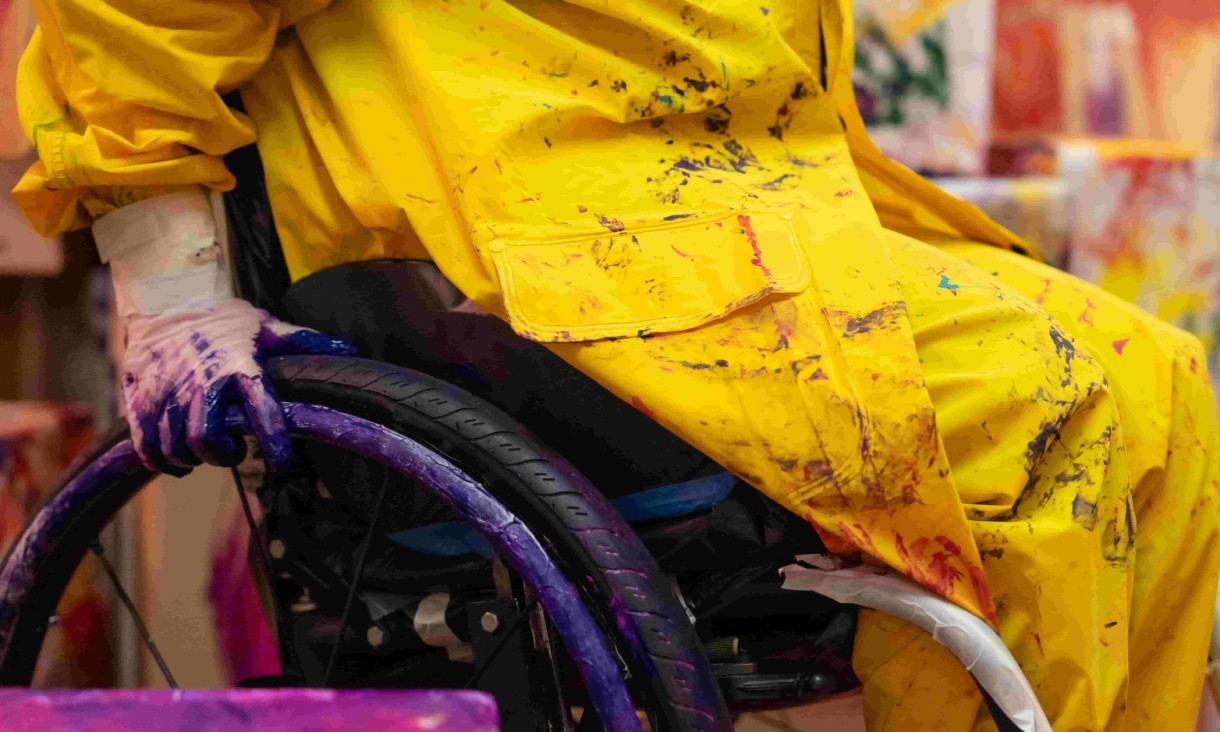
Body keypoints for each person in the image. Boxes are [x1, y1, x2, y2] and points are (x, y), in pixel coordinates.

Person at [12, 0, 1218, 728]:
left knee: (1160, 380)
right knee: (1054, 416)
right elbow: (128, 25)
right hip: (507, 267)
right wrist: (168, 290)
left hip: (707, 217)